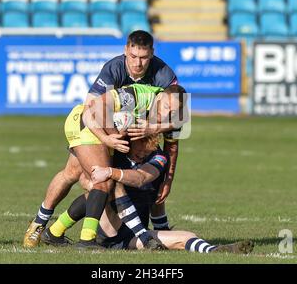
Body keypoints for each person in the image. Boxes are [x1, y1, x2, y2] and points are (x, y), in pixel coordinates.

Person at [24, 31, 182, 248]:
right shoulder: (114, 69)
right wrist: (108, 140)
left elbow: (178, 123)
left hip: (116, 131)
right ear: (126, 51)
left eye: (144, 58)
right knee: (100, 180)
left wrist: (168, 176)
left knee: (86, 177)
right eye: (133, 56)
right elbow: (90, 111)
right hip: (91, 125)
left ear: (152, 54)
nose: (138, 63)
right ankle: (50, 229)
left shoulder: (165, 76)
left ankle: (53, 231)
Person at [42, 135, 254, 255]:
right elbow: (85, 180)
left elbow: (150, 193)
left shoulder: (159, 159)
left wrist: (160, 232)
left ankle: (217, 251)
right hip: (110, 227)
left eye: (146, 152)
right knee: (111, 185)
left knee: (185, 236)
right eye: (138, 150)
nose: (141, 154)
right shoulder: (117, 154)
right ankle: (57, 231)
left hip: (133, 236)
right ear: (131, 142)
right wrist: (105, 176)